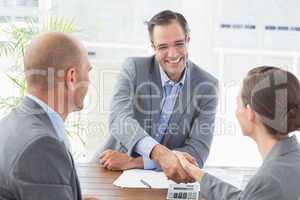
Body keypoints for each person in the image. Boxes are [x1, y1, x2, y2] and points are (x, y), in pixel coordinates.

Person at [99, 10, 218, 183]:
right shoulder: (133, 68)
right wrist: (160, 153)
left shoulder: (207, 86)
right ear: (153, 46)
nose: (173, 54)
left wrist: (135, 162)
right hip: (111, 172)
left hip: (167, 181)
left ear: (188, 40)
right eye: (163, 47)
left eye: (179, 44)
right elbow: (119, 119)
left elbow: (197, 153)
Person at [175, 66, 300, 199]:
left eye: (237, 104)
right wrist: (196, 172)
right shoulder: (292, 159)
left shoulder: (268, 180)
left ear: (250, 113)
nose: (236, 112)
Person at [0, 32, 97, 200]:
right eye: (87, 71)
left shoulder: (11, 122)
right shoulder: (41, 145)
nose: (89, 80)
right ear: (72, 78)